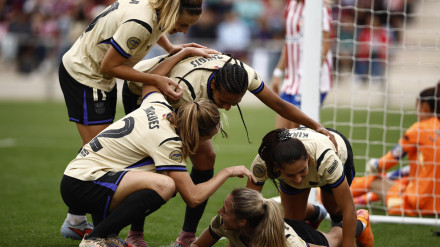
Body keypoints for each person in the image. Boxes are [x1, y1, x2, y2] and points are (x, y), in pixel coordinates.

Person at [122, 50, 338, 247]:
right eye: (223, 101)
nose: (226, 108)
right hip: (144, 92)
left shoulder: (245, 75)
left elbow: (279, 105)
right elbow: (150, 107)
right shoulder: (184, 89)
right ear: (213, 86)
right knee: (152, 164)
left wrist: (315, 125)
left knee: (206, 158)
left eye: (234, 104)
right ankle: (135, 234)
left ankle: (187, 237)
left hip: (191, 104)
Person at [58, 0, 214, 241]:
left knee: (102, 148)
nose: (184, 31)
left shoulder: (157, 7)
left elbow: (154, 29)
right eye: (182, 24)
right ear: (173, 12)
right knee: (104, 158)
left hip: (97, 76)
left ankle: (76, 221)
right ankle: (102, 237)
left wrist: (170, 47)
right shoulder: (141, 21)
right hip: (86, 75)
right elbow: (108, 65)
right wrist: (156, 79)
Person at [60, 82, 256, 247]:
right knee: (166, 185)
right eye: (210, 137)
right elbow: (193, 197)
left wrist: (179, 52)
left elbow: (150, 83)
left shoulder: (159, 105)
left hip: (80, 177)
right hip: (82, 184)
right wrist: (227, 172)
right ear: (198, 134)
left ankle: (106, 234)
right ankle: (96, 238)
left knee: (163, 179)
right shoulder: (168, 143)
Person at [246, 127, 374, 247]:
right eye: (291, 175)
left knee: (335, 209)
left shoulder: (328, 160)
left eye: (302, 171)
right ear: (276, 166)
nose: (298, 180)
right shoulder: (263, 162)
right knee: (294, 225)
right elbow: (247, 207)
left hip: (337, 153)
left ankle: (361, 221)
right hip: (307, 159)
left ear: (307, 156)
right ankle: (316, 214)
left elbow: (348, 208)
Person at [351, 82, 440, 216]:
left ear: (425, 108)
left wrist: (374, 164)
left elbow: (386, 162)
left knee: (375, 180)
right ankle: (359, 199)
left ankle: (327, 193)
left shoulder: (419, 129)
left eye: (418, 108)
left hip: (417, 205)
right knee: (401, 180)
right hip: (435, 205)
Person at [191, 188, 373, 247]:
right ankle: (315, 214)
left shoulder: (288, 242)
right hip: (277, 224)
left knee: (333, 238)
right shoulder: (222, 223)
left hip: (301, 236)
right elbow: (197, 245)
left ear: (242, 221)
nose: (219, 212)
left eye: (225, 210)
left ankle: (361, 220)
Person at [271, 0, 333, 129]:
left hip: (311, 81)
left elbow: (326, 44)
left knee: (298, 136)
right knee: (280, 134)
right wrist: (278, 72)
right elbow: (289, 43)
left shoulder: (319, 7)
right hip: (291, 81)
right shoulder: (291, 5)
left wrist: (312, 74)